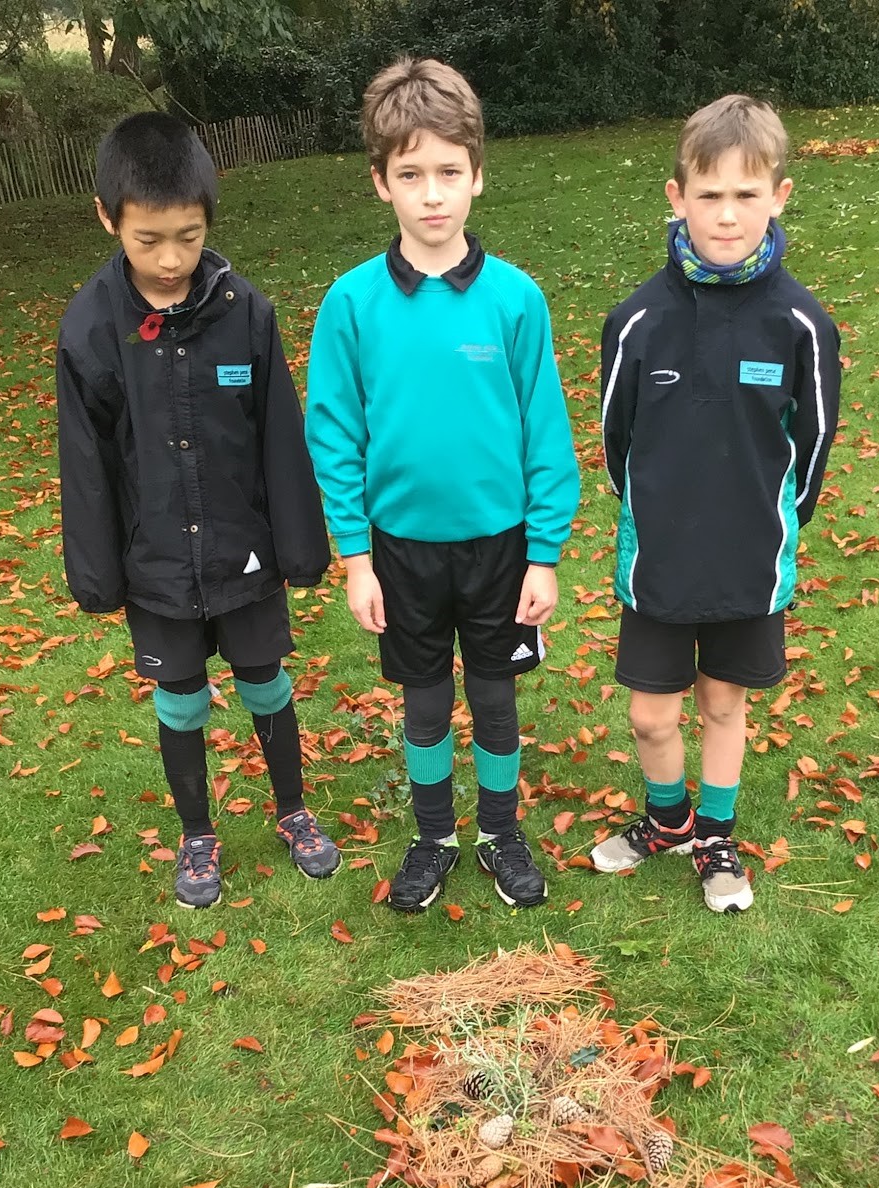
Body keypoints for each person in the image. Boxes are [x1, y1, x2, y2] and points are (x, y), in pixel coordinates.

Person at [306, 57, 580, 913]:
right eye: (411, 175)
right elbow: (335, 435)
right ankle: (433, 836)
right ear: (380, 182)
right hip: (400, 552)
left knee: (494, 701)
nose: (433, 195)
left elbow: (547, 430)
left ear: (478, 175)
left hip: (501, 548)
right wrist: (356, 557)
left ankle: (501, 833)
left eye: (449, 173)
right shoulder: (350, 305)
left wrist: (544, 554)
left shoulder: (515, 300)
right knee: (426, 707)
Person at [56, 112, 339, 911]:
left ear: (209, 220)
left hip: (243, 551)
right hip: (154, 563)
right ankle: (197, 833)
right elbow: (86, 463)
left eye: (188, 235)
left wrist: (299, 546)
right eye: (149, 240)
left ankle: (293, 810)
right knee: (179, 695)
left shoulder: (244, 310)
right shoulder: (88, 330)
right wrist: (98, 575)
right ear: (109, 219)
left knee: (264, 680)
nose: (172, 258)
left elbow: (280, 436)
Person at [591, 94, 841, 912]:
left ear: (778, 196)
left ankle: (718, 834)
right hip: (661, 560)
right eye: (709, 195)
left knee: (723, 702)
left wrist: (773, 526)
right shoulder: (636, 322)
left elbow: (813, 447)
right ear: (677, 198)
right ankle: (667, 821)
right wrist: (654, 513)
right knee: (653, 717)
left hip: (747, 562)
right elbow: (614, 444)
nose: (726, 215)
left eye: (745, 194)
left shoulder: (801, 324)